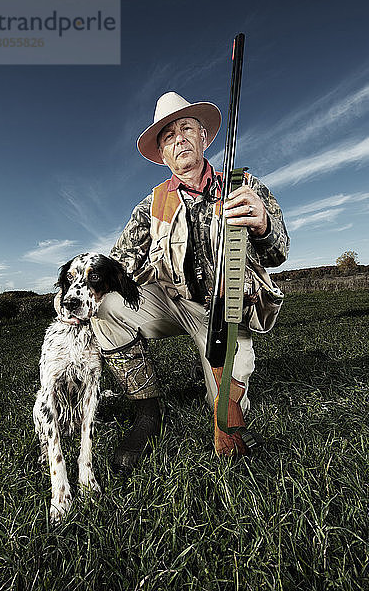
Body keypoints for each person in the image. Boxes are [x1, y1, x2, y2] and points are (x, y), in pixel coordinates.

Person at [57, 91, 289, 474]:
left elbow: (278, 254)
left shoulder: (244, 185)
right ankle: (148, 410)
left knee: (228, 406)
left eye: (186, 129)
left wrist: (263, 224)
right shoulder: (151, 204)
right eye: (168, 136)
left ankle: (218, 389)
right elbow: (120, 265)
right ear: (162, 155)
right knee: (108, 307)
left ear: (203, 138)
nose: (179, 138)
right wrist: (75, 289)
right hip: (168, 299)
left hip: (224, 310)